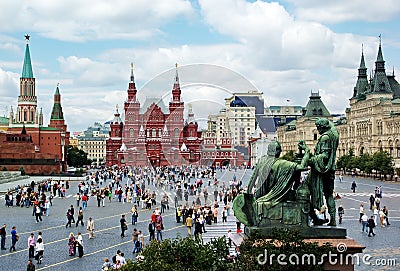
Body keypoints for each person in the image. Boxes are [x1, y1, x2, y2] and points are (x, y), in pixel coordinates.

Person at [304, 118, 339, 226]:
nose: (317, 130)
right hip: (330, 169)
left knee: (303, 191)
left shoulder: (325, 138)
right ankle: (332, 219)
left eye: (318, 127)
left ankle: (313, 217)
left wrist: (310, 159)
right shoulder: (333, 134)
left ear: (322, 127)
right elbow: (332, 125)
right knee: (329, 194)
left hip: (321, 171)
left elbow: (324, 155)